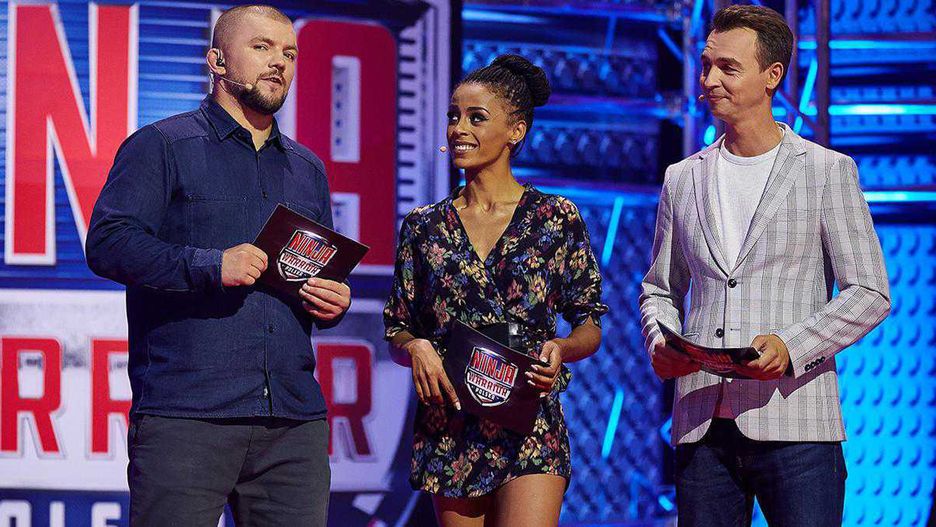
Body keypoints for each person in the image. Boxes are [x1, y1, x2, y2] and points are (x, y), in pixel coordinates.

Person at [85, 5, 349, 525]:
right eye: (262, 47)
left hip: (292, 421)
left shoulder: (308, 169)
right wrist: (209, 265)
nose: (279, 62)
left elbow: (316, 273)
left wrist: (331, 301)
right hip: (188, 416)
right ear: (217, 61)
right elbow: (108, 243)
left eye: (289, 53)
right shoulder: (162, 145)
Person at [638, 5, 890, 526]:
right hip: (703, 423)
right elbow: (660, 287)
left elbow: (869, 291)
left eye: (728, 68)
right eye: (706, 66)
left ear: (772, 75)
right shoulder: (683, 177)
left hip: (797, 423)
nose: (709, 80)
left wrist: (791, 346)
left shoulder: (825, 170)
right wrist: (662, 341)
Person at [383, 54, 607, 527]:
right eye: (453, 116)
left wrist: (561, 349)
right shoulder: (423, 226)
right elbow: (398, 327)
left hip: (530, 421)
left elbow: (589, 324)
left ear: (516, 131)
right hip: (451, 427)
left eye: (476, 117)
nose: (458, 128)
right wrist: (415, 347)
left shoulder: (555, 218)